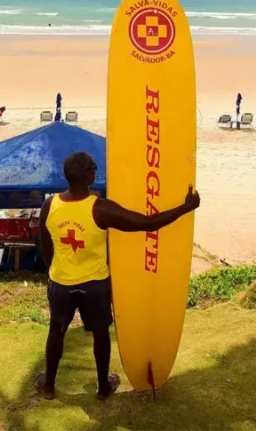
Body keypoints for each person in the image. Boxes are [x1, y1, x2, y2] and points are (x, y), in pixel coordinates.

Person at [35, 152, 201, 401]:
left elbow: (45, 244)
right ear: (85, 175)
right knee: (100, 333)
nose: (96, 169)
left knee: (56, 331)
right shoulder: (99, 209)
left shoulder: (50, 205)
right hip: (94, 285)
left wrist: (53, 272)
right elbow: (147, 223)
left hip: (61, 283)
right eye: (93, 167)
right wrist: (186, 208)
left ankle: (48, 386)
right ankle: (103, 388)